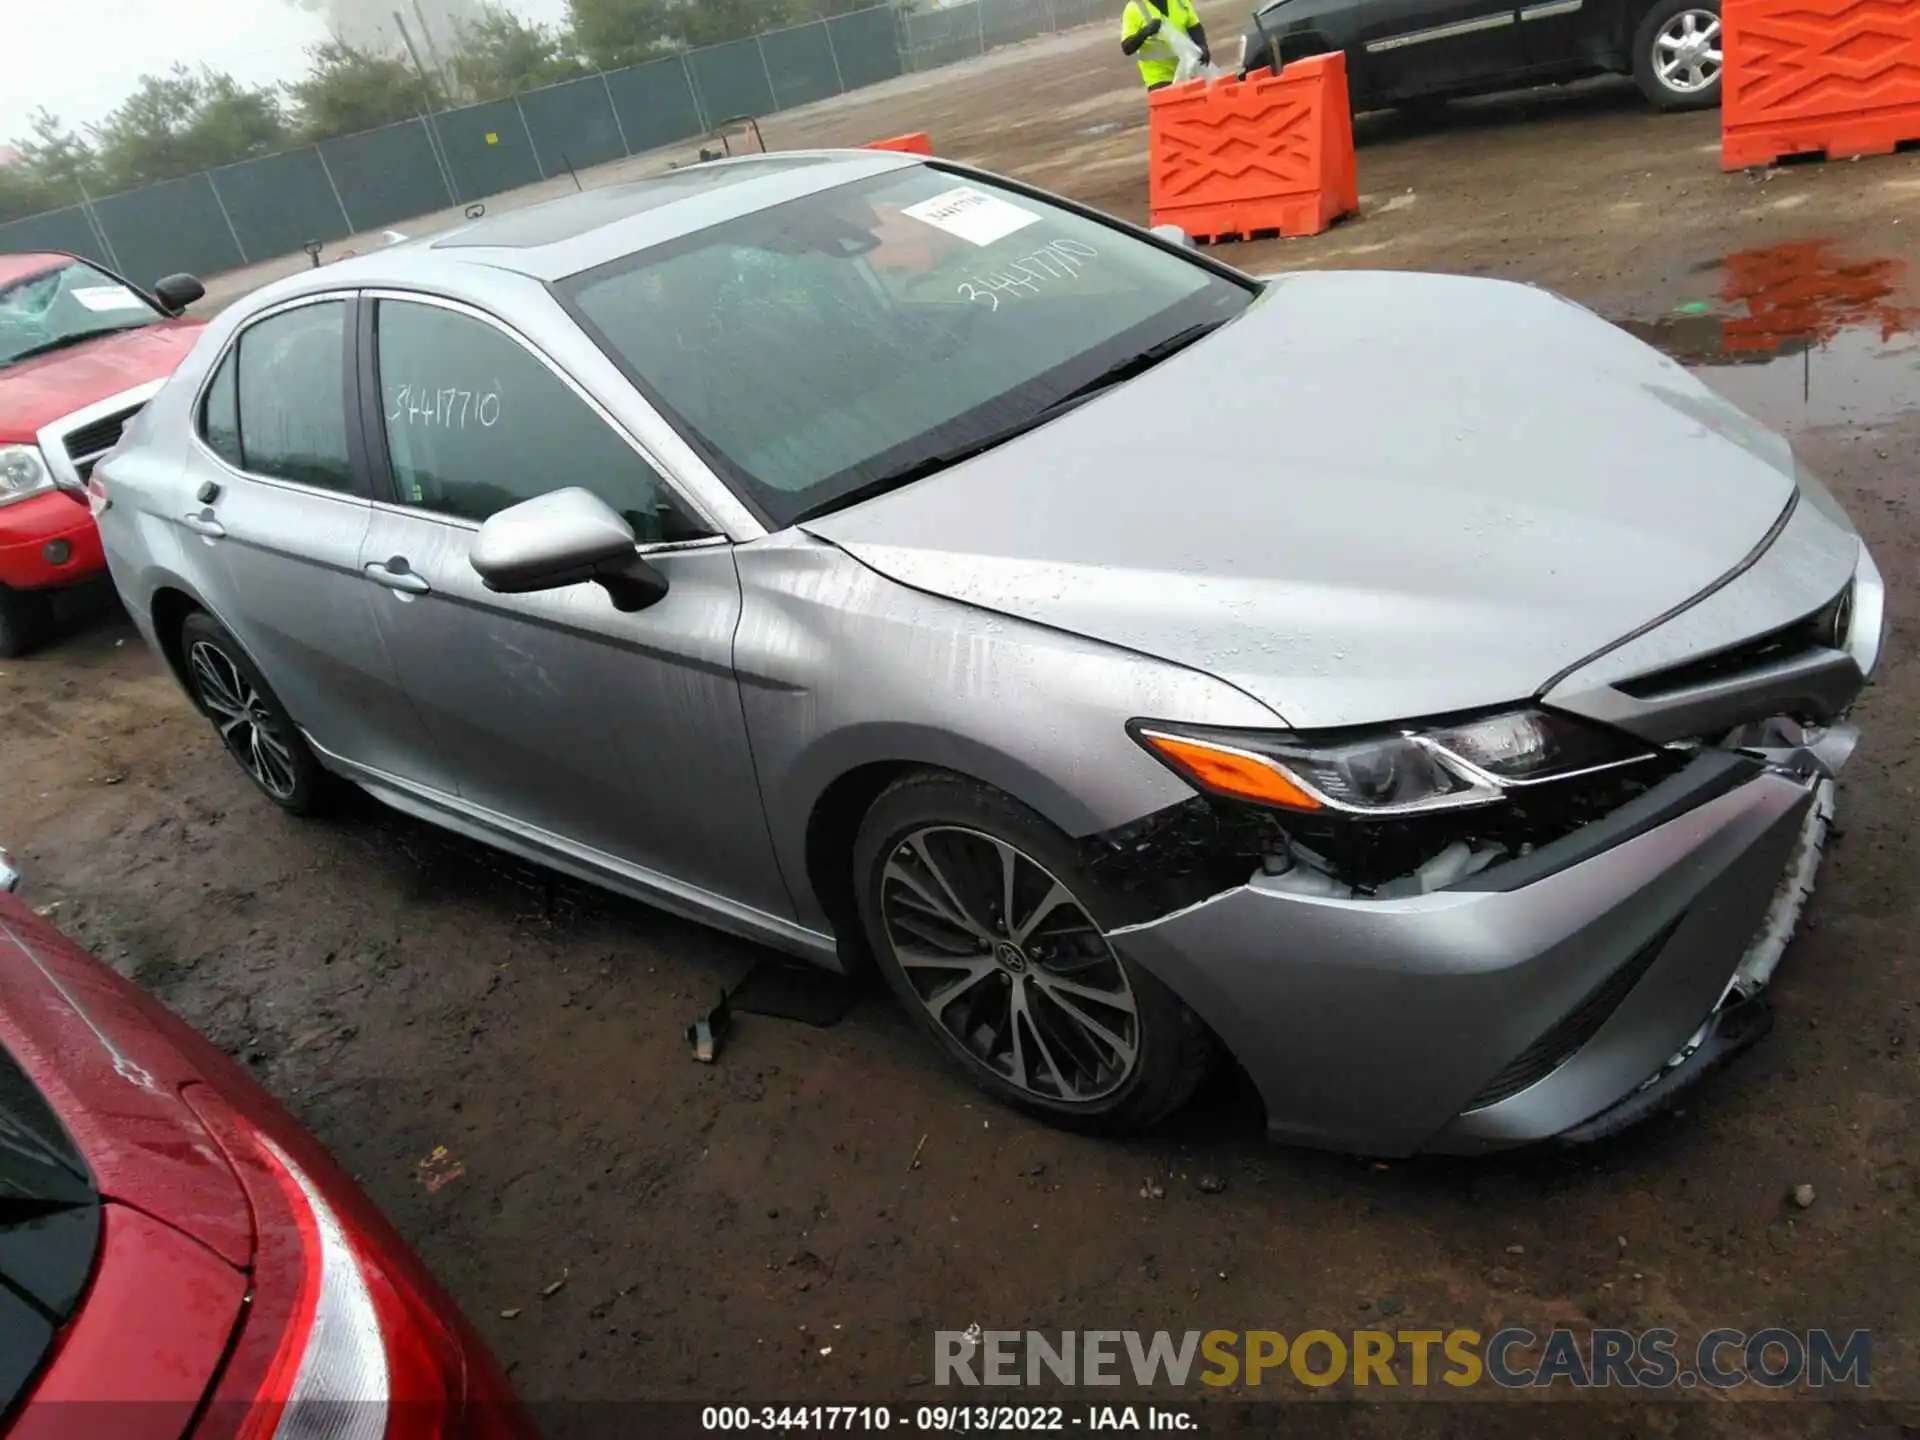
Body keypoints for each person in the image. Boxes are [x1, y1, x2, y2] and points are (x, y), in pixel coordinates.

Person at [1119, 0, 1209, 93]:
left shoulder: (1180, 1)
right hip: (1158, 77)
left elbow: (1194, 26)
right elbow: (1127, 47)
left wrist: (1202, 45)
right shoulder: (1134, 8)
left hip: (1188, 70)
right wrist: (1145, 32)